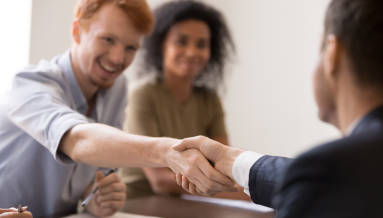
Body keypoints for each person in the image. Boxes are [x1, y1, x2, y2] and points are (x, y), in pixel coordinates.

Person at [0, 0, 237, 217]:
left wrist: (94, 199)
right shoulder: (30, 83)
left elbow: (92, 184)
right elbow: (79, 140)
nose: (117, 58)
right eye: (108, 39)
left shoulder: (117, 88)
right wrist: (167, 152)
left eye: (131, 48)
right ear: (77, 31)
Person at [172, 0, 383, 217]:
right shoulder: (344, 170)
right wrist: (229, 159)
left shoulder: (327, 170)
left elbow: (327, 181)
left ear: (332, 54)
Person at [119, 0, 249, 201]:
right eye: (181, 41)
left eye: (201, 44)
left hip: (192, 201)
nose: (191, 52)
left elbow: (224, 165)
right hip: (140, 202)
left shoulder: (209, 99)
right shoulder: (143, 96)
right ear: (161, 44)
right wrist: (252, 194)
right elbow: (160, 182)